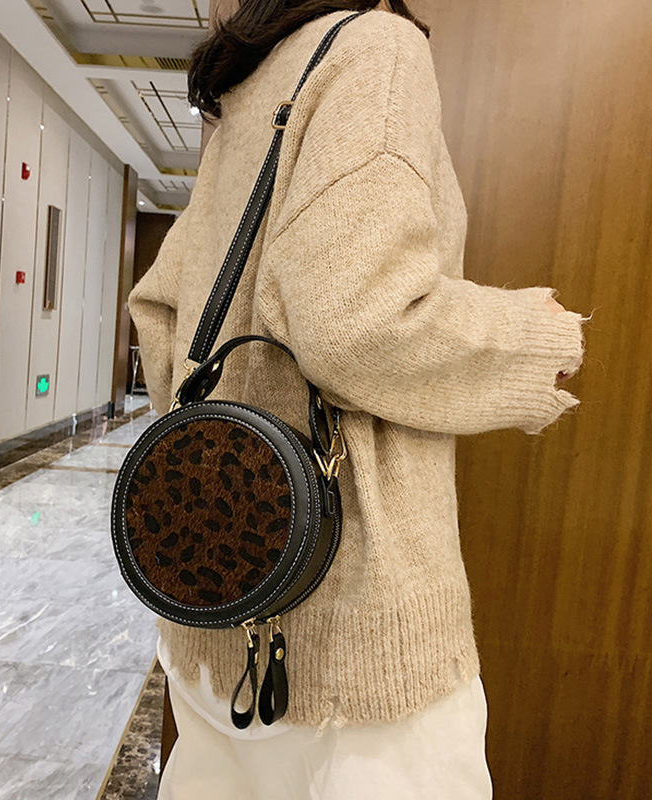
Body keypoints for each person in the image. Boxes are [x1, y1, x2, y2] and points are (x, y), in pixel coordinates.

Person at [128, 1, 587, 798]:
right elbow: (355, 321)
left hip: (212, 610)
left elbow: (161, 314)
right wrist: (533, 341)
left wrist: (229, 447)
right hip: (354, 637)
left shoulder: (245, 86)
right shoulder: (375, 47)